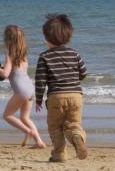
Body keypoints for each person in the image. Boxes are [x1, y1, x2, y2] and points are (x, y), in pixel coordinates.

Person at [35, 14, 88, 162]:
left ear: (46, 37)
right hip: (76, 96)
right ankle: (77, 137)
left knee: (55, 127)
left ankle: (59, 154)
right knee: (74, 124)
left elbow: (40, 81)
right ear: (68, 36)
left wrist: (38, 99)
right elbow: (83, 73)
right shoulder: (75, 54)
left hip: (55, 97)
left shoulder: (44, 56)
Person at [0, 25, 46, 149]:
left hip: (21, 91)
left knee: (7, 115)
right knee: (25, 118)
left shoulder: (9, 53)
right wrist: (1, 69)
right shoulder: (23, 54)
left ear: (8, 39)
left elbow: (5, 74)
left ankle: (28, 132)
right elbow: (14, 74)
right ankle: (39, 141)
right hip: (30, 88)